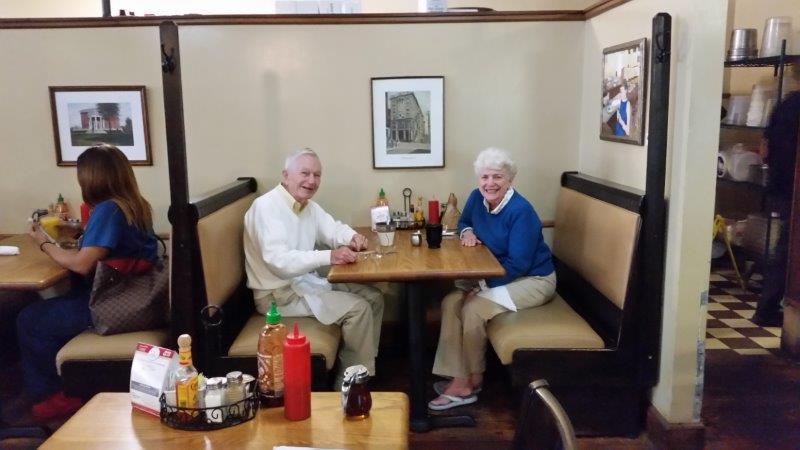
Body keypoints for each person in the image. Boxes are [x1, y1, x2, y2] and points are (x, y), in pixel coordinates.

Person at [19, 144, 158, 420]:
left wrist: (44, 243)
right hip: (135, 298)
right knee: (50, 309)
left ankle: (58, 396)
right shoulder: (135, 205)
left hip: (109, 305)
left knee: (29, 319)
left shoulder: (108, 210)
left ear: (92, 179)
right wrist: (80, 229)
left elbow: (82, 265)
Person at [244, 148, 384, 388]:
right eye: (305, 173)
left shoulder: (306, 205)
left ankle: (363, 369)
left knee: (374, 297)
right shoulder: (266, 207)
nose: (311, 181)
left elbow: (332, 229)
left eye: (317, 175)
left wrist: (352, 237)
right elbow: (280, 263)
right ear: (286, 175)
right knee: (359, 309)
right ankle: (349, 387)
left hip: (303, 285)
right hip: (277, 298)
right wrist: (330, 256)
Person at [429, 147, 556, 410]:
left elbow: (518, 264)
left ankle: (472, 381)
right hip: (497, 275)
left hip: (533, 280)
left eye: (497, 177)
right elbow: (464, 220)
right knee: (451, 302)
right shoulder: (477, 198)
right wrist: (466, 232)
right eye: (485, 177)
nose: (490, 183)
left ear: (510, 179)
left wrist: (483, 286)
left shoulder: (521, 211)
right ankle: (457, 374)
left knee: (473, 308)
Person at [753, 67, 800, 327]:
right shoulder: (794, 106)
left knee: (784, 251)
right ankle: (768, 308)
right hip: (792, 188)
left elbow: (764, 147)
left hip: (779, 185)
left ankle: (768, 306)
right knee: (787, 253)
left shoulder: (784, 105)